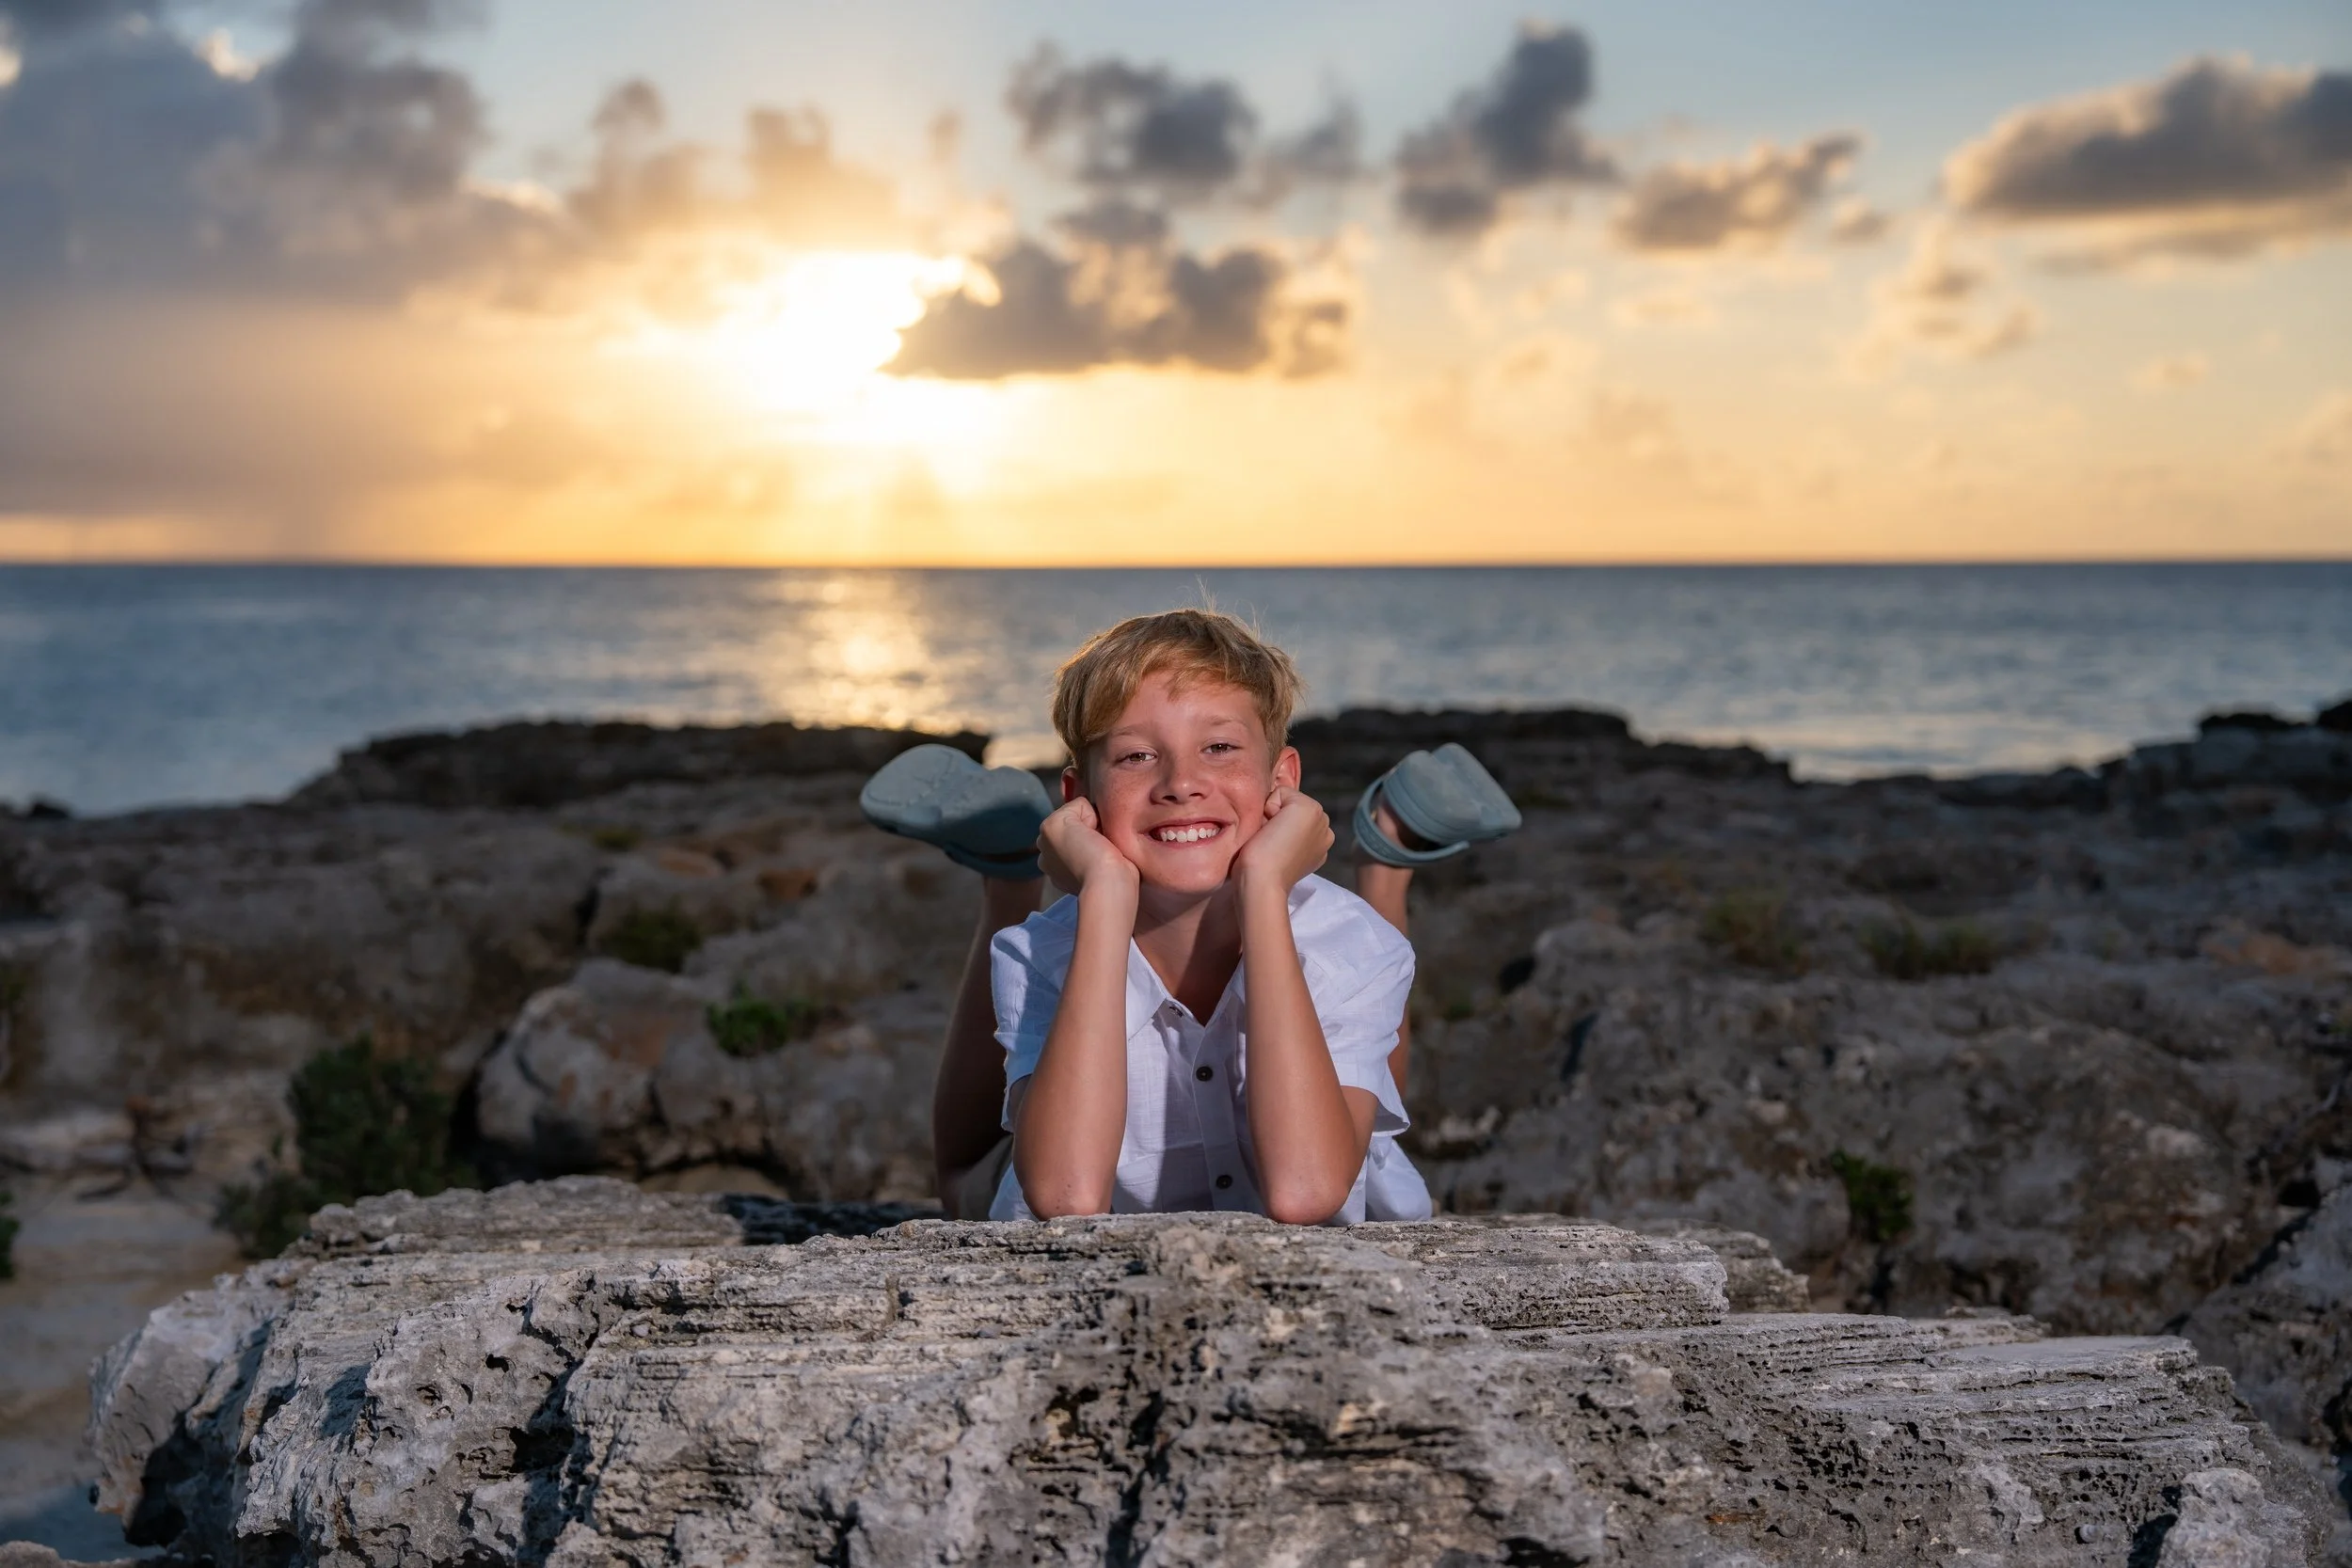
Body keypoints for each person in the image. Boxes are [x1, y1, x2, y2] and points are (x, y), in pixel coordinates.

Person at [861, 609, 1518, 1223]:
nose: (1180, 781)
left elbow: (1307, 1193)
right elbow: (1064, 1198)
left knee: (1352, 980)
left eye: (1220, 748)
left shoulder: (1346, 940)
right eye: (1136, 755)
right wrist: (1105, 894)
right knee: (964, 1192)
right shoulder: (1048, 950)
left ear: (1280, 784)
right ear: (1079, 799)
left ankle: (1386, 857)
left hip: (1330, 1026)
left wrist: (1265, 886)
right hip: (1077, 961)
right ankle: (1012, 875)